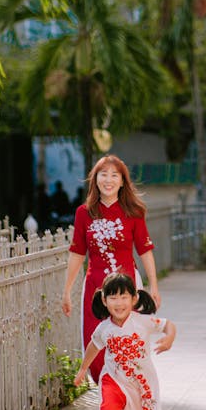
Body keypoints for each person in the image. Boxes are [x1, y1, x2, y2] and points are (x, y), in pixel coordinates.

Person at [62, 155, 160, 384]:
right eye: (103, 174)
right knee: (94, 339)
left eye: (114, 175)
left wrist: (154, 286)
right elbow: (77, 252)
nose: (109, 180)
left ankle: (129, 391)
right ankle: (107, 391)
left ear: (123, 181)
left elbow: (145, 250)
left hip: (127, 288)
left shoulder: (134, 211)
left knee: (129, 339)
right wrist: (67, 290)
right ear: (95, 180)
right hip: (95, 288)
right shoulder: (84, 213)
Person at [73, 273, 175, 410]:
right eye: (113, 297)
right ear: (104, 300)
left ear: (134, 298)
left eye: (124, 297)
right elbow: (93, 346)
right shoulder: (104, 328)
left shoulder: (144, 322)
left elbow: (167, 325)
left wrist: (169, 339)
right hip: (113, 380)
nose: (118, 303)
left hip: (141, 383)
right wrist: (83, 369)